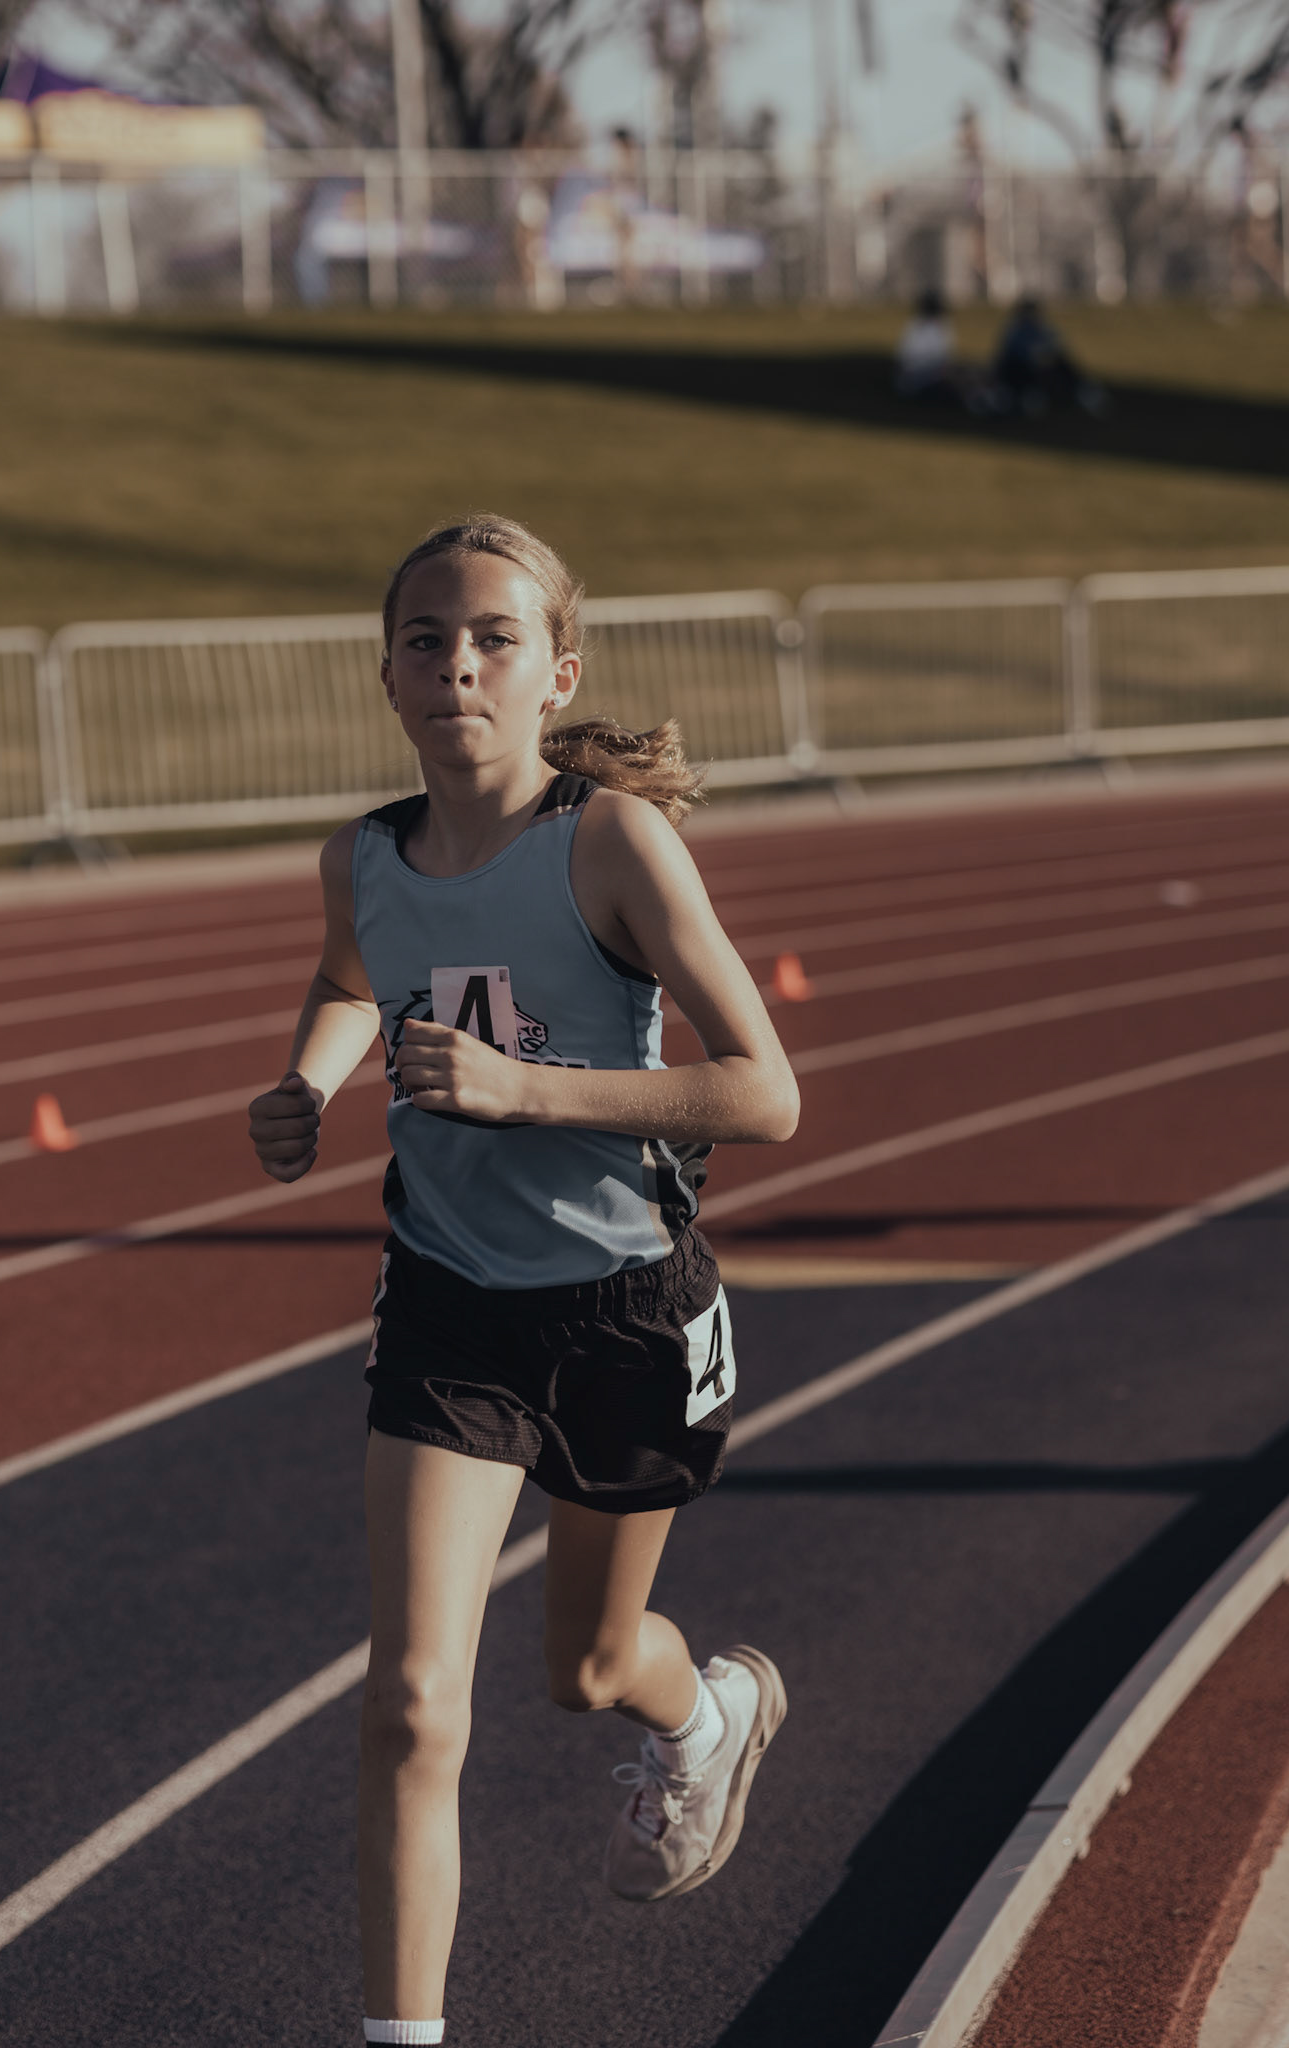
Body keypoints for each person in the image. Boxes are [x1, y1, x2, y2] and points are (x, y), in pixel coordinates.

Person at [248, 514, 801, 2047]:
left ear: (555, 673)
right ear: (386, 676)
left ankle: (707, 1713)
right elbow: (349, 976)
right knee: (410, 1705)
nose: (457, 665)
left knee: (587, 1668)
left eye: (493, 638)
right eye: (425, 639)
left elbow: (764, 1095)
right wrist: (305, 1082)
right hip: (448, 1306)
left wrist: (526, 1092)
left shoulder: (607, 844)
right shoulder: (361, 857)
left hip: (623, 1309)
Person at [990, 297, 1109, 417]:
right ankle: (1032, 396)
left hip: (1039, 371)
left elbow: (1055, 349)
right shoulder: (1016, 332)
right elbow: (1011, 358)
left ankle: (1082, 392)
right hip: (1021, 373)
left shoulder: (1039, 330)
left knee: (1060, 365)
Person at [895, 286, 962, 402]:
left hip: (917, 376)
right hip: (921, 377)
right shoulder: (934, 327)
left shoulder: (915, 325)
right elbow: (944, 360)